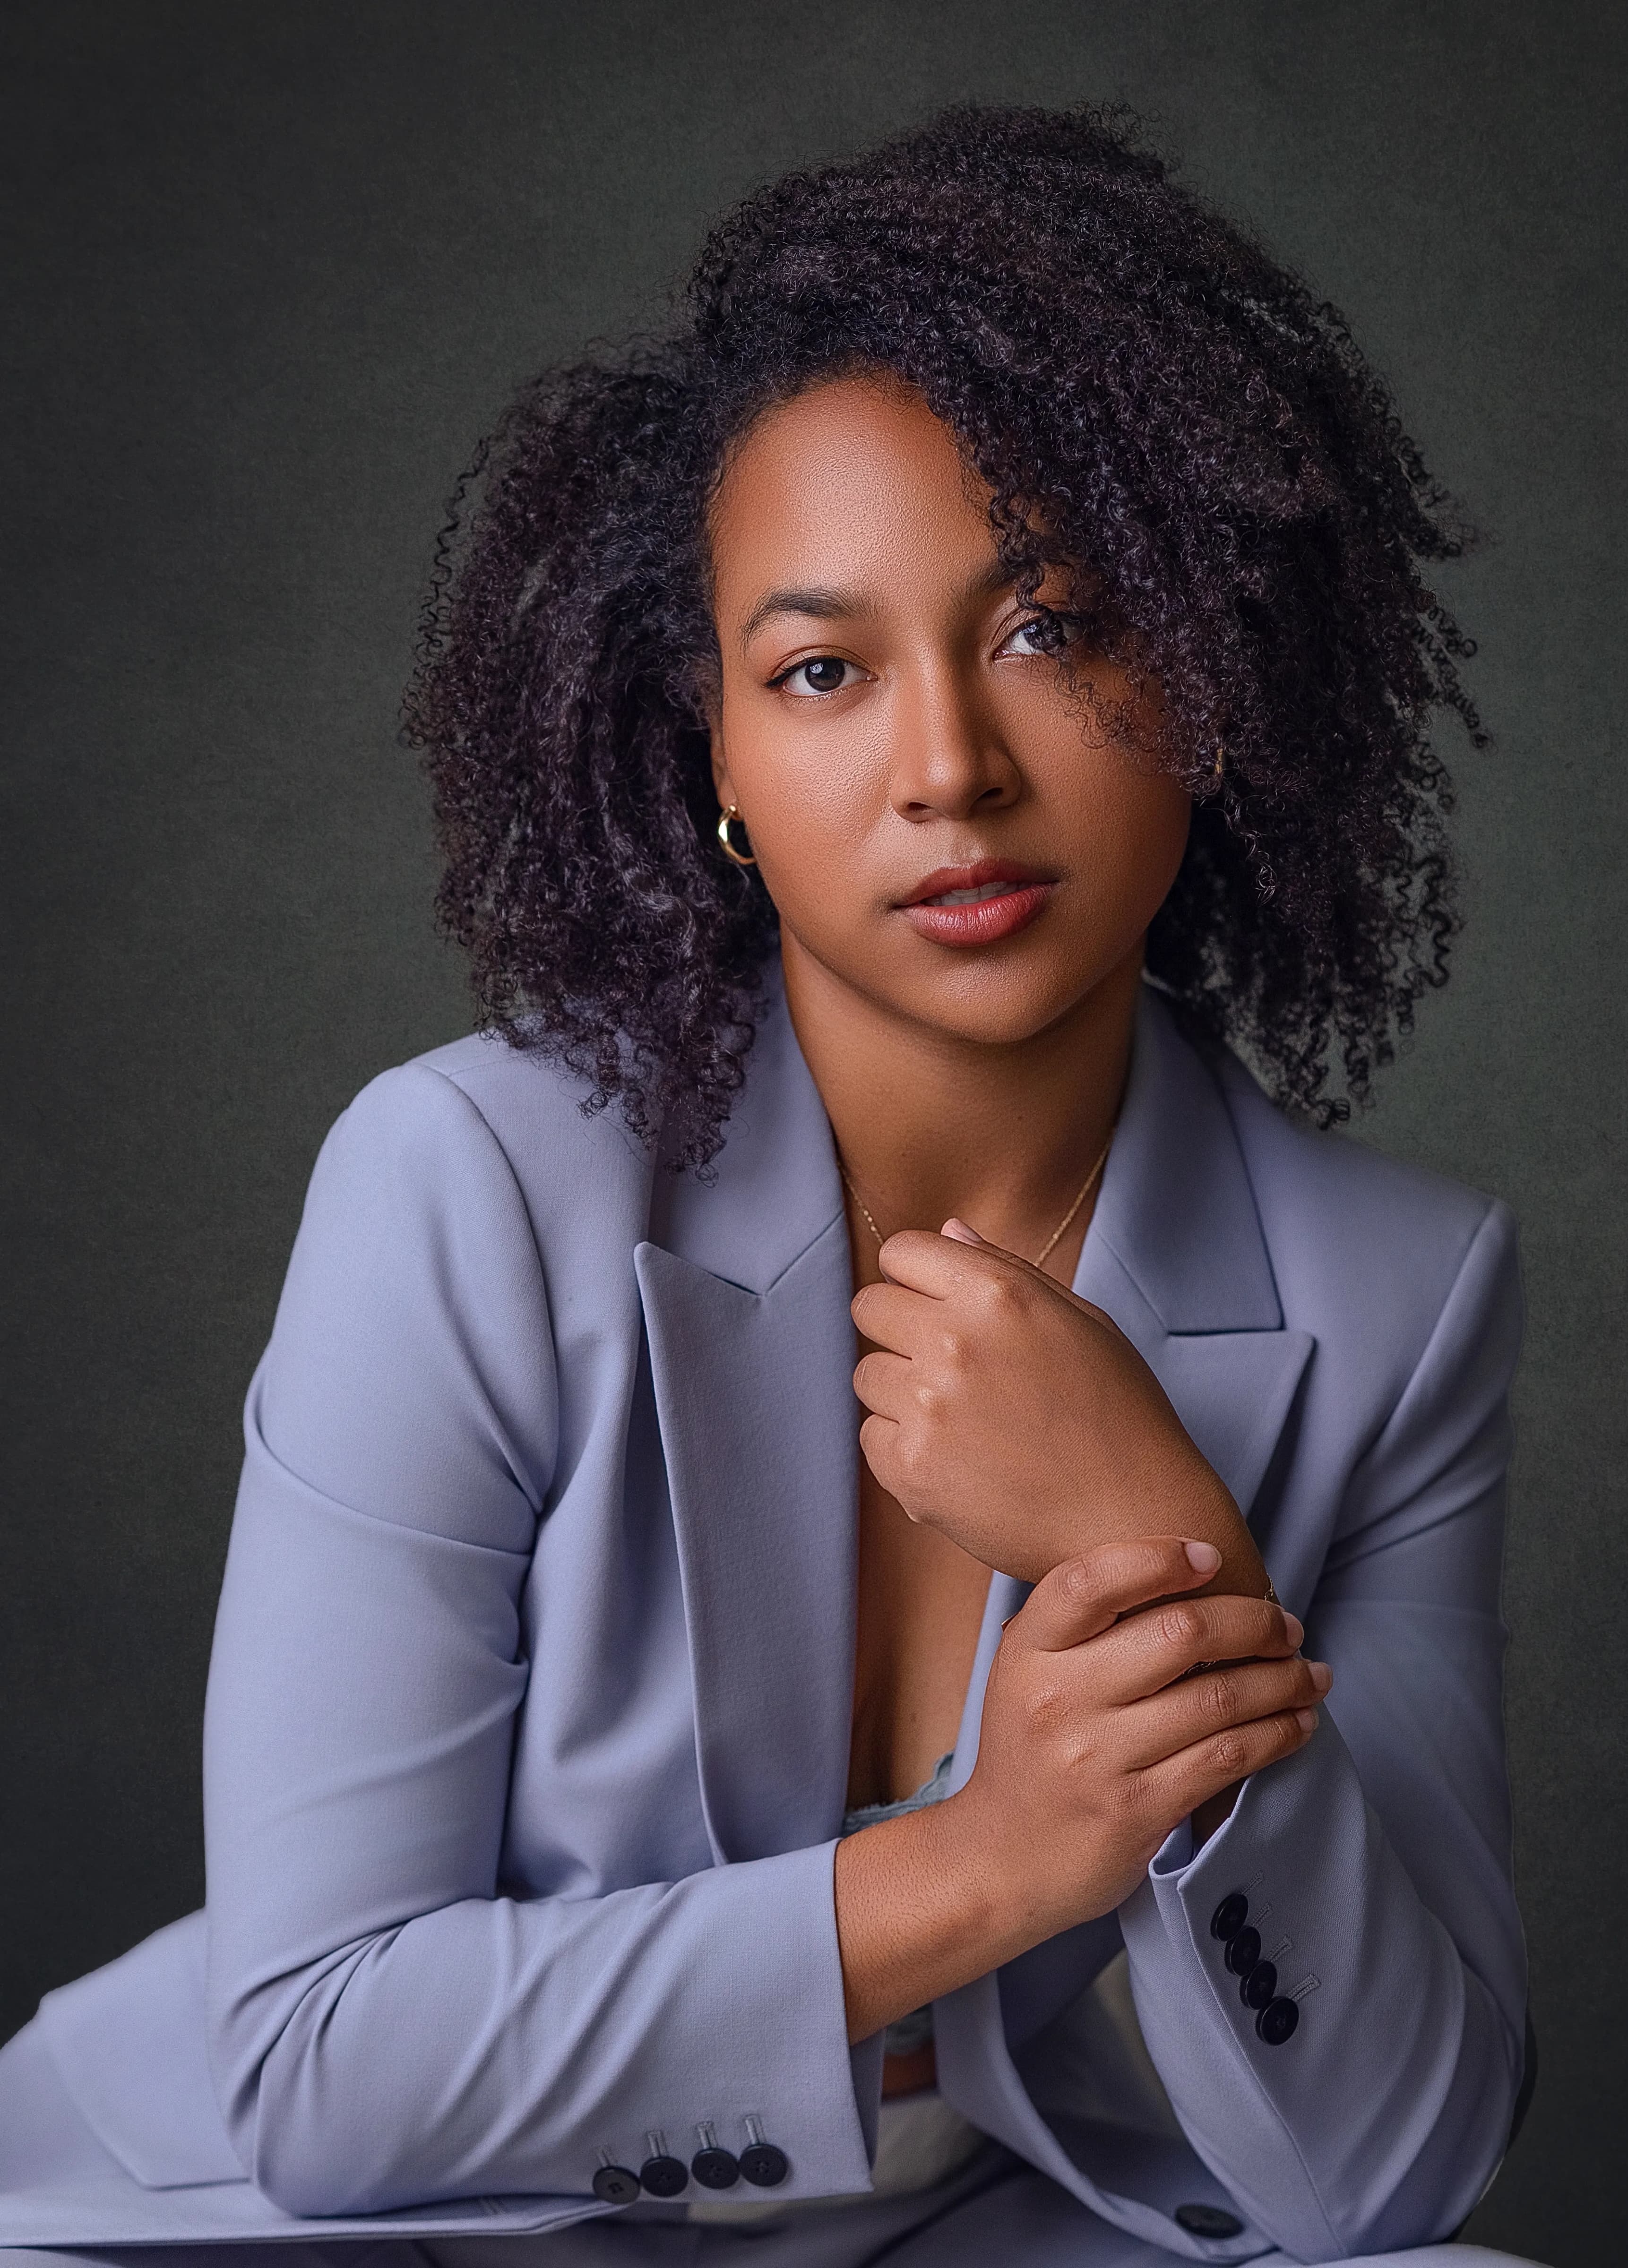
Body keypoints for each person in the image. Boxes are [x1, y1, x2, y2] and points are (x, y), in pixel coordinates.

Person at [0, 105, 1541, 2268]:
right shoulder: (467, 1194)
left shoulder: (1400, 1295)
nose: (948, 771)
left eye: (1053, 628)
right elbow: (332, 2075)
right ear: (712, 758)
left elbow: (1394, 2171)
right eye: (821, 671)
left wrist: (1154, 1541)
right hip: (386, 2224)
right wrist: (998, 1862)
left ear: (1216, 668)